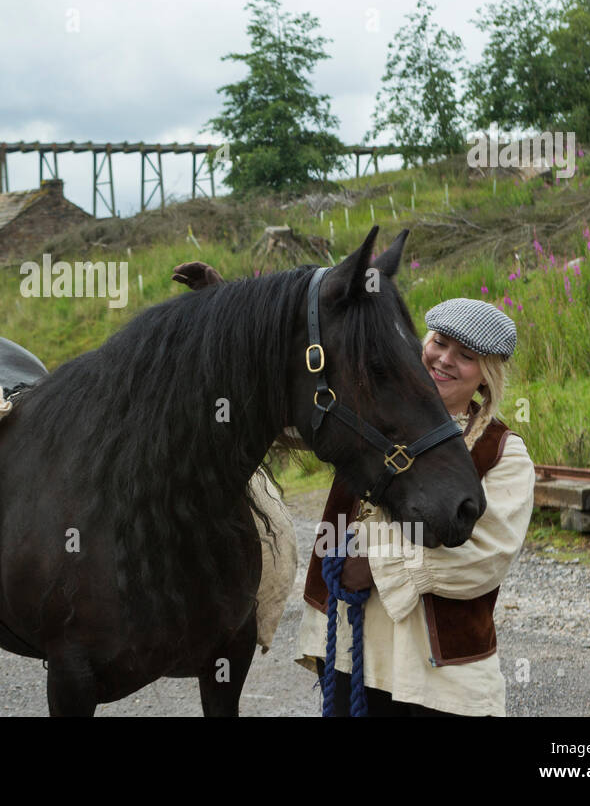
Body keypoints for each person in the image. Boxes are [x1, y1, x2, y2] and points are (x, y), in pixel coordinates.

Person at [171, 261, 536, 717]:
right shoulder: (370, 415)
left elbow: (486, 557)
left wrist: (375, 565)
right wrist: (224, 306)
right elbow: (285, 398)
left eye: (464, 355)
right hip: (351, 653)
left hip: (436, 677)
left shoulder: (502, 453)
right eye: (439, 343)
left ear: (486, 373)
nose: (444, 359)